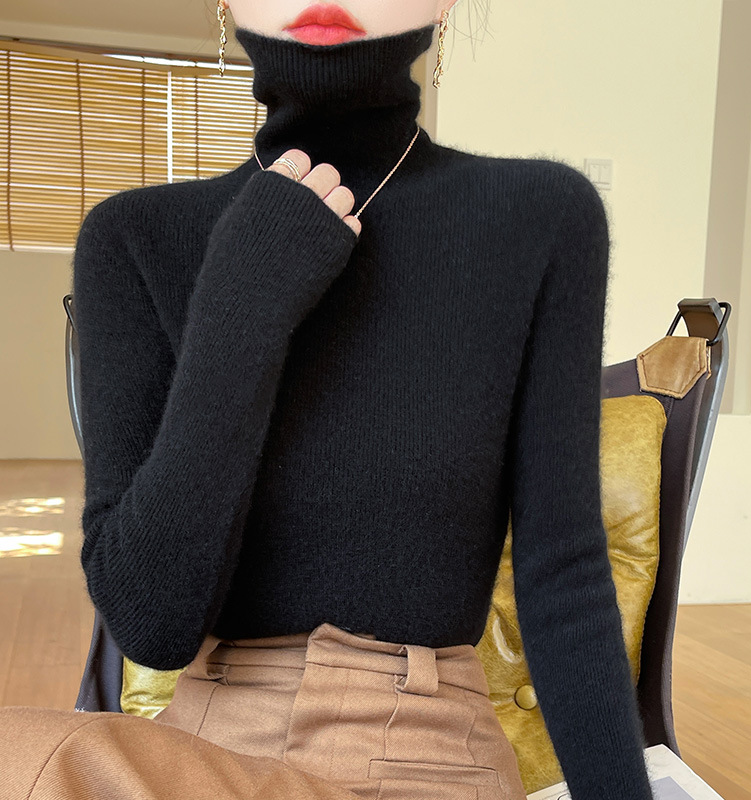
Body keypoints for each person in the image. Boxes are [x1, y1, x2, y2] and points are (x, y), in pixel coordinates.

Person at [0, 1, 656, 799]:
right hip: (201, 751)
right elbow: (152, 625)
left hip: (424, 752)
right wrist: (240, 312)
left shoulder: (538, 217)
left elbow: (565, 581)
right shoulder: (133, 238)